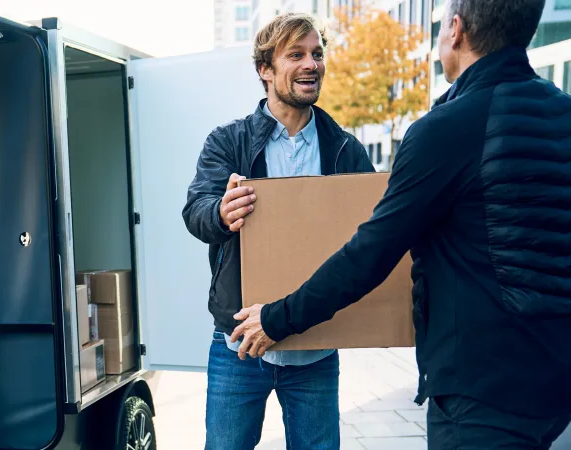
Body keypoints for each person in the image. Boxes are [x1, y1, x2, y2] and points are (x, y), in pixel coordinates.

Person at [231, 0, 571, 448]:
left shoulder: (446, 129)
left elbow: (370, 252)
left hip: (482, 390)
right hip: (557, 382)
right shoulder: (561, 113)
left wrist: (277, 318)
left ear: (455, 30)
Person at [181, 12, 375, 450]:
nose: (312, 64)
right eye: (296, 55)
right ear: (265, 69)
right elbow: (195, 211)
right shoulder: (228, 142)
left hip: (315, 349)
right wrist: (219, 213)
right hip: (240, 347)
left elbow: (375, 238)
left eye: (317, 54)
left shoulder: (345, 149)